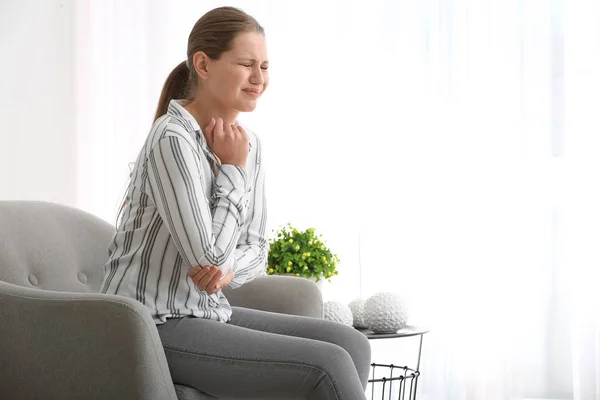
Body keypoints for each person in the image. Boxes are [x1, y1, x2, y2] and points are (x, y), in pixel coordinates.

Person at [100, 6, 370, 399]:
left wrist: (225, 274)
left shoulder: (248, 144)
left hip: (205, 311)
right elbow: (206, 258)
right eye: (246, 64)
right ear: (203, 65)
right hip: (148, 324)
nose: (259, 79)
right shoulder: (172, 139)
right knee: (327, 365)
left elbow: (257, 250)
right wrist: (232, 171)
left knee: (353, 344)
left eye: (264, 66)